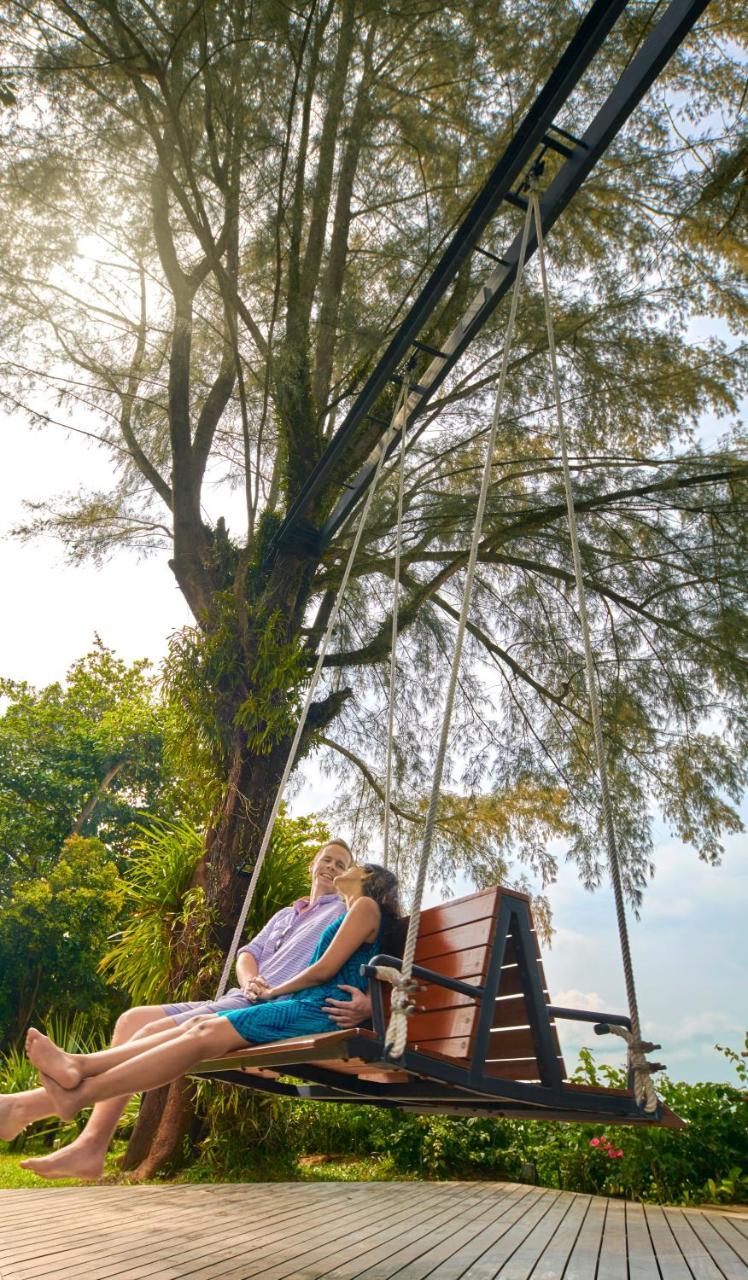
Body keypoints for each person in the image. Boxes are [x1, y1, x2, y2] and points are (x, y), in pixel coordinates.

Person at [4, 838, 373, 1178]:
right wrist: (248, 980)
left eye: (342, 864)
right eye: (327, 859)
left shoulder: (344, 912)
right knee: (133, 1019)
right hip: (240, 995)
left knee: (150, 1032)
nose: (332, 867)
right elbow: (250, 953)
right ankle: (77, 1137)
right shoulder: (284, 914)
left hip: (268, 1007)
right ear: (313, 864)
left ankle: (61, 1127)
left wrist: (370, 1002)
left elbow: (367, 956)